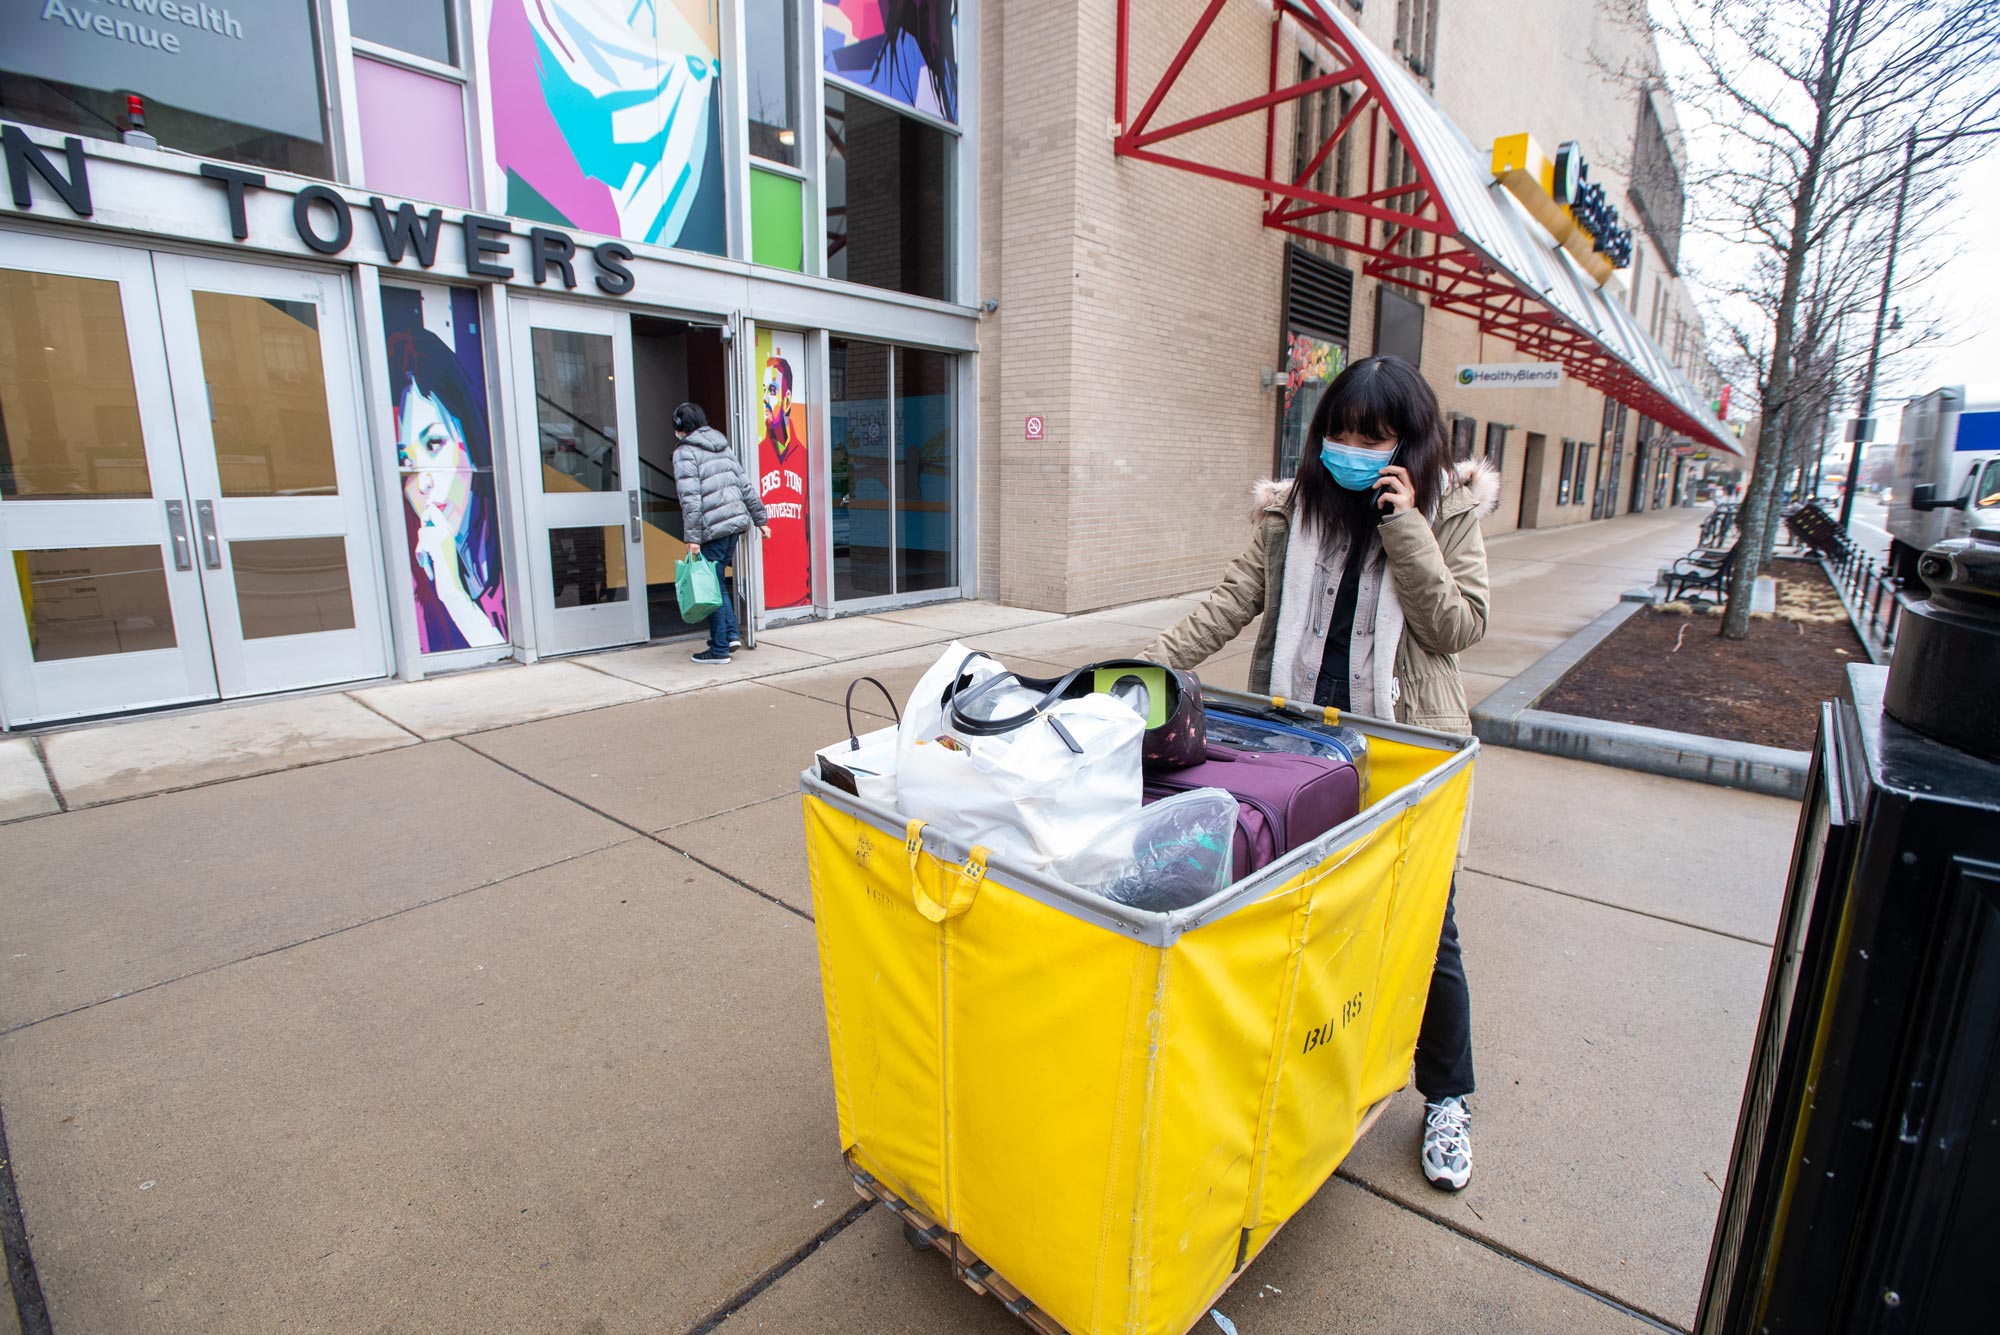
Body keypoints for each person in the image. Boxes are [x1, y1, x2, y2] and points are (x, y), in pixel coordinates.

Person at [1142, 355, 1500, 1192]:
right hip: (1301, 756)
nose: (1348, 448)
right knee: (1309, 918)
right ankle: (1316, 1072)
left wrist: (1405, 526)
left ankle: (1448, 1095)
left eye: (1370, 437)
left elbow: (1457, 626)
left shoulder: (1446, 514)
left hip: (1403, 752)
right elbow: (1227, 604)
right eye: (1338, 431)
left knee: (1425, 927)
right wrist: (1135, 672)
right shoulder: (1292, 513)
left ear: (1407, 444)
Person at [388, 328, 508, 652]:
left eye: (434, 443)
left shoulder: (507, 553)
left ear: (468, 436)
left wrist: (454, 595)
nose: (424, 481)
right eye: (406, 463)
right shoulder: (412, 579)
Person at [672, 402, 771, 664]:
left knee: (709, 587)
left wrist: (693, 538)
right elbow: (744, 485)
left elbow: (690, 499)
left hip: (712, 529)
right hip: (733, 526)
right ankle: (729, 636)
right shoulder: (723, 447)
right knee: (715, 582)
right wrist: (760, 518)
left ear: (681, 427)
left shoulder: (685, 452)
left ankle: (719, 649)